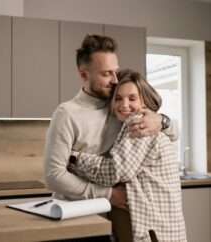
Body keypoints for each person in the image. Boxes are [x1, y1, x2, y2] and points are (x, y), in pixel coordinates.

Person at [44, 34, 178, 241]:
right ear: (83, 75)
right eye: (107, 74)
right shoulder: (67, 114)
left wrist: (162, 121)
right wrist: (109, 194)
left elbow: (173, 134)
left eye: (115, 72)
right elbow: (54, 176)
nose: (115, 80)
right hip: (79, 219)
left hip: (118, 221)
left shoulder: (119, 108)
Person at [69, 69, 187, 242]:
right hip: (160, 231)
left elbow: (114, 170)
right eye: (118, 98)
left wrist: (73, 158)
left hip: (152, 233)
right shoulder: (141, 123)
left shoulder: (139, 123)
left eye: (132, 98)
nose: (124, 105)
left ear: (144, 100)